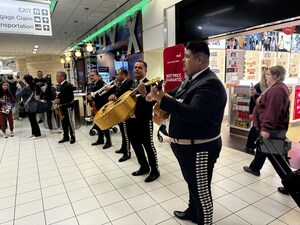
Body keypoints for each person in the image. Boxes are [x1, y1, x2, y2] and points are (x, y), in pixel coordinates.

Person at [148, 41, 227, 225]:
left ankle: (205, 221)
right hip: (186, 147)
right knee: (193, 185)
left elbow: (194, 114)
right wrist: (157, 95)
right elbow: (174, 95)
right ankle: (192, 212)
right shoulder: (191, 79)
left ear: (200, 60)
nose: (183, 61)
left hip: (200, 149)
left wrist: (162, 99)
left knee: (201, 190)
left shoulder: (210, 84)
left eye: (187, 57)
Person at [243, 65, 290, 182]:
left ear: (275, 76)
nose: (266, 77)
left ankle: (291, 183)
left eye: (268, 75)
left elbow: (272, 110)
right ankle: (255, 168)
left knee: (275, 157)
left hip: (273, 128)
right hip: (271, 127)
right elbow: (266, 103)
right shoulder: (275, 88)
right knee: (263, 147)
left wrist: (266, 128)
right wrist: (256, 95)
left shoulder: (277, 90)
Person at [126, 60, 159, 183]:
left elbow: (154, 102)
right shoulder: (131, 83)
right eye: (135, 67)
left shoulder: (152, 84)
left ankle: (155, 170)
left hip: (144, 121)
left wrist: (144, 94)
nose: (137, 69)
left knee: (148, 146)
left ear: (145, 70)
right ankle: (144, 167)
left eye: (140, 67)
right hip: (131, 120)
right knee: (135, 145)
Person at [108, 68, 133, 162]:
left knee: (126, 133)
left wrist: (114, 92)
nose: (117, 77)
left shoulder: (128, 82)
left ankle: (127, 152)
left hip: (125, 111)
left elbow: (121, 93)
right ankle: (123, 148)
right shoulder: (121, 83)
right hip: (121, 111)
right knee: (123, 132)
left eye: (118, 75)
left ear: (123, 75)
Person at [85, 70, 113, 149]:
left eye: (93, 75)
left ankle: (108, 141)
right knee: (98, 124)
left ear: (98, 76)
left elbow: (104, 96)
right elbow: (90, 94)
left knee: (105, 124)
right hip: (95, 107)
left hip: (102, 106)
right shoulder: (91, 85)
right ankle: (100, 139)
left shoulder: (102, 84)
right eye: (90, 76)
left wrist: (93, 97)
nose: (91, 77)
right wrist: (87, 99)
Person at [245, 68, 268, 154]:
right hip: (258, 111)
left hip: (264, 112)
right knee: (255, 128)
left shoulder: (270, 86)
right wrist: (251, 113)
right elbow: (253, 101)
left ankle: (255, 145)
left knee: (258, 128)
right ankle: (249, 145)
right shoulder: (258, 86)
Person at [16, 75, 41, 139]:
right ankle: (34, 133)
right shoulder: (33, 86)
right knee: (33, 120)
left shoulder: (26, 88)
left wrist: (18, 89)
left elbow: (17, 95)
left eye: (24, 79)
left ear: (26, 80)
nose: (23, 81)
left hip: (29, 106)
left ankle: (37, 134)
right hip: (34, 105)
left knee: (33, 121)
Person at [54, 71, 76, 144]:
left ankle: (72, 137)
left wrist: (60, 100)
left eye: (57, 76)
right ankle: (66, 136)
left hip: (68, 107)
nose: (56, 78)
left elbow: (70, 98)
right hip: (62, 107)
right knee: (64, 122)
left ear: (62, 77)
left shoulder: (68, 85)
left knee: (70, 122)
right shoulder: (59, 86)